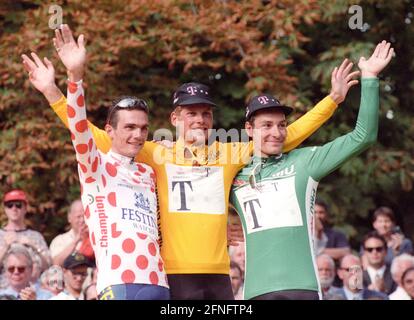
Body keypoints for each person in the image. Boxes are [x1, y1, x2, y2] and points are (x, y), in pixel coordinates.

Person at [24, 24, 352, 299]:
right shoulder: (155, 152)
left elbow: (285, 135)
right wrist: (54, 92)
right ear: (175, 118)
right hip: (174, 276)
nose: (200, 119)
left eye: (206, 113)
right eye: (191, 113)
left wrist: (333, 100)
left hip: (220, 276)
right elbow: (88, 133)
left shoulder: (230, 152)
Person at [229, 41, 394, 300]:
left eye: (282, 125)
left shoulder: (305, 161)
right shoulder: (233, 173)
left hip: (302, 288)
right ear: (249, 129)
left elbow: (363, 136)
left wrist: (370, 78)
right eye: (266, 125)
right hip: (255, 292)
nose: (276, 132)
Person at [22, 25, 168, 300]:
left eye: (143, 128)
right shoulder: (96, 166)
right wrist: (74, 77)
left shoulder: (150, 172)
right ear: (109, 131)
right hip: (119, 283)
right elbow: (78, 129)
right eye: (129, 127)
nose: (138, 135)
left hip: (160, 283)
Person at [0, 189, 51, 273]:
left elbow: (48, 267)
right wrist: (5, 247)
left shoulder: (35, 236)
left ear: (25, 208)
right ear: (5, 209)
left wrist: (33, 246)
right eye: (10, 205)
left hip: (32, 284)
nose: (14, 208)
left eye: (18, 205)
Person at [49, 199, 90, 266]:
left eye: (85, 216)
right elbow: (56, 264)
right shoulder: (60, 240)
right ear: (69, 218)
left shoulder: (97, 239)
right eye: (78, 217)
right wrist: (76, 241)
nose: (82, 220)